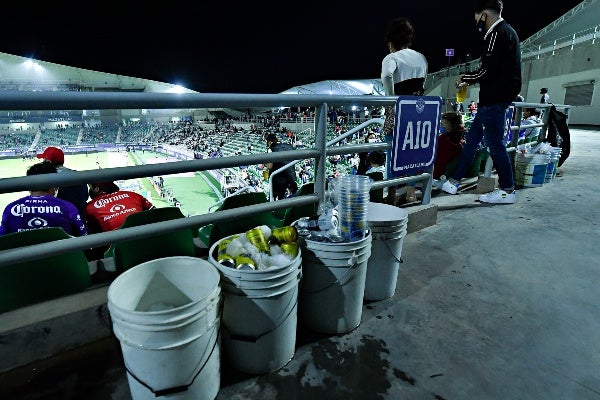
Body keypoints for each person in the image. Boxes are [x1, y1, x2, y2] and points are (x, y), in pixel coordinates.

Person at [442, 0, 521, 204]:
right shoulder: (507, 32)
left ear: (484, 15)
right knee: (472, 141)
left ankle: (507, 190)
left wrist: (464, 78)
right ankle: (453, 182)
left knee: (495, 145)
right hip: (492, 100)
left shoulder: (497, 33)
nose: (477, 24)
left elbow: (487, 70)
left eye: (478, 19)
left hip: (494, 100)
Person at [380, 16, 428, 205]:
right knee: (413, 151)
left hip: (399, 108)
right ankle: (411, 191)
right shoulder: (421, 57)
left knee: (392, 152)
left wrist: (390, 96)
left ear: (391, 41)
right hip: (418, 111)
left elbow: (386, 75)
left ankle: (391, 195)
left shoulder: (391, 57)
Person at [0, 161, 87, 237]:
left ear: (28, 184)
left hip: (21, 255)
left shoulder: (10, 209)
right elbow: (83, 236)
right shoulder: (68, 207)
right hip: (61, 255)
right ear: (54, 184)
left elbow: (3, 239)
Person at [84, 181, 155, 259]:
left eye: (90, 187)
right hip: (148, 246)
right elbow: (158, 215)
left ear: (97, 189)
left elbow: (91, 235)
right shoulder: (133, 195)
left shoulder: (90, 207)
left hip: (118, 254)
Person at [37, 146, 89, 216]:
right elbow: (85, 197)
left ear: (48, 162)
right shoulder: (78, 175)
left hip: (60, 221)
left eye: (43, 159)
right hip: (80, 219)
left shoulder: (47, 180)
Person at [433, 112, 466, 180]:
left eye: (442, 124)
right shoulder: (462, 137)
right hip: (449, 172)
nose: (441, 126)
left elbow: (439, 161)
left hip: (437, 173)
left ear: (451, 125)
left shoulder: (443, 140)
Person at [264, 133, 298, 200]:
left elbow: (270, 166)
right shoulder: (289, 146)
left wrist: (265, 164)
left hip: (278, 179)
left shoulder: (271, 149)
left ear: (270, 142)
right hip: (290, 178)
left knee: (273, 198)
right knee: (282, 197)